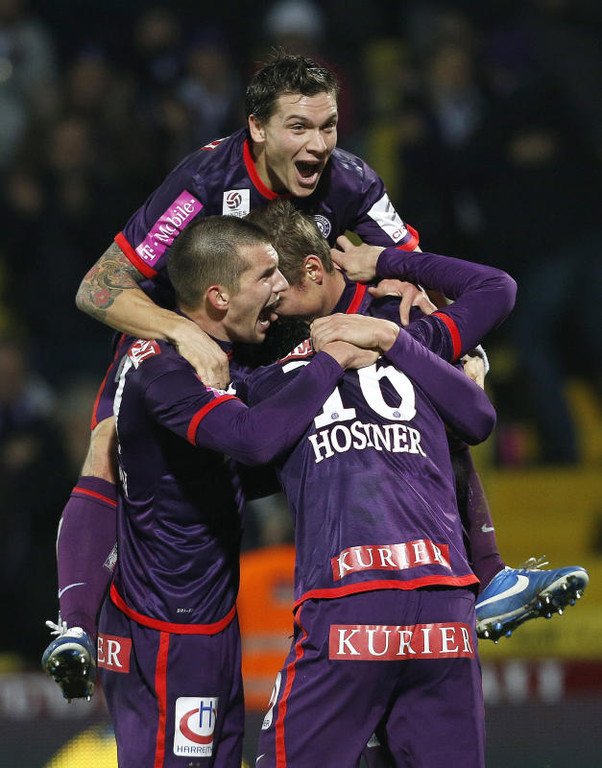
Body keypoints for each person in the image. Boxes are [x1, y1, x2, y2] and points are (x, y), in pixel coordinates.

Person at [42, 51, 580, 702]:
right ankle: (74, 624)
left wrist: (462, 359)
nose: (318, 145)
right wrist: (183, 333)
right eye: (298, 127)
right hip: (187, 338)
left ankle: (488, 576)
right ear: (257, 128)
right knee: (108, 442)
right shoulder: (204, 181)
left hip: (278, 343)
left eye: (327, 127)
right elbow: (99, 287)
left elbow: (416, 276)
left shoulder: (350, 181)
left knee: (416, 385)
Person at [92, 214, 373, 767]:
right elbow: (254, 441)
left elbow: (250, 461)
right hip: (167, 626)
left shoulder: (227, 359)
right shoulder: (164, 371)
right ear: (219, 297)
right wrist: (333, 359)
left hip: (211, 618)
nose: (280, 286)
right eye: (266, 275)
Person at [238, 208, 512, 767]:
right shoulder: (413, 341)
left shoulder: (263, 385)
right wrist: (392, 279)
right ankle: (498, 575)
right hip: (445, 608)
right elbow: (481, 409)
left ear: (312, 271)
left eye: (275, 292)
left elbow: (242, 455)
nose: (270, 309)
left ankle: (500, 573)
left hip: (347, 601)